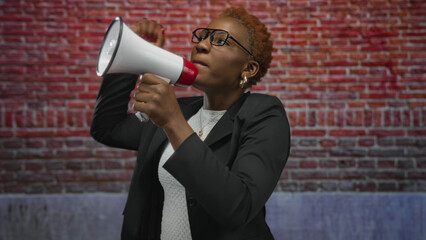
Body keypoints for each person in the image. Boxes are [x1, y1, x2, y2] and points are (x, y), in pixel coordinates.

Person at [91, 7, 290, 240]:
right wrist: (132, 59)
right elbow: (108, 128)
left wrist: (173, 121)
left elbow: (237, 208)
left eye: (220, 41)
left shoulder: (264, 115)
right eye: (203, 36)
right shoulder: (181, 110)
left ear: (249, 68)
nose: (202, 45)